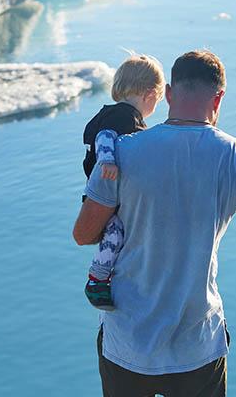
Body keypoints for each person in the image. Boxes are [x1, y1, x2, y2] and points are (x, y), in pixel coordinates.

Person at [74, 50, 236, 397]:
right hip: (198, 347)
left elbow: (84, 234)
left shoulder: (122, 151)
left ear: (168, 93)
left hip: (127, 343)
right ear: (219, 97)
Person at [81, 53, 166, 310]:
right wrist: (107, 160)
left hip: (102, 191)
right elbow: (105, 137)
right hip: (105, 193)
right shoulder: (125, 117)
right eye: (157, 100)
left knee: (116, 234)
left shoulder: (108, 113)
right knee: (116, 233)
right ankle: (97, 279)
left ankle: (104, 276)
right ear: (150, 94)